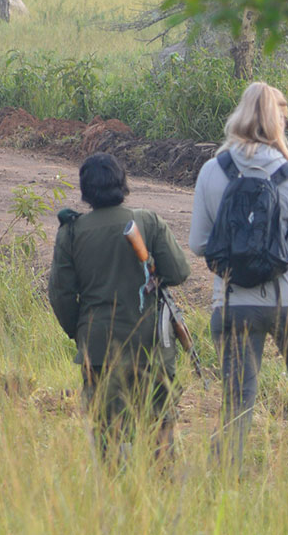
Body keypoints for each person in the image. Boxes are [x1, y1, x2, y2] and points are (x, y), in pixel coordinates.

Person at [190, 81, 288, 467]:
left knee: (237, 398)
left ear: (239, 114)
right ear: (278, 123)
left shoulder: (211, 171)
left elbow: (199, 245)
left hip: (234, 301)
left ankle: (225, 479)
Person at [49, 151, 190, 461]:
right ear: (123, 184)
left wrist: (82, 331)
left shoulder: (71, 232)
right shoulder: (148, 221)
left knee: (109, 430)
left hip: (99, 346)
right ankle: (164, 488)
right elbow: (179, 272)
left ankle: (116, 492)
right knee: (160, 423)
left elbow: (60, 295)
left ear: (85, 191)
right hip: (150, 345)